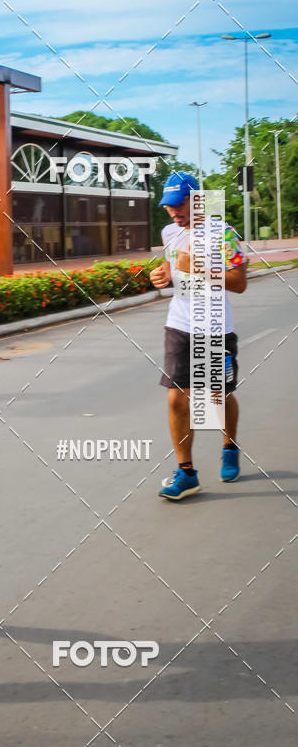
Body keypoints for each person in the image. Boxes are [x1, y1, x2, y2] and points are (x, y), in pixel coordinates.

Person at [149, 172, 247, 501]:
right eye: (169, 206)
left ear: (198, 200)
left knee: (216, 398)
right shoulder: (169, 233)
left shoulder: (224, 233)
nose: (174, 212)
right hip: (179, 323)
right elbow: (174, 274)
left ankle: (229, 447)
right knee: (177, 397)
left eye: (180, 204)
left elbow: (239, 282)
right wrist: (162, 277)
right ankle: (186, 473)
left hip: (216, 326)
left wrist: (200, 267)